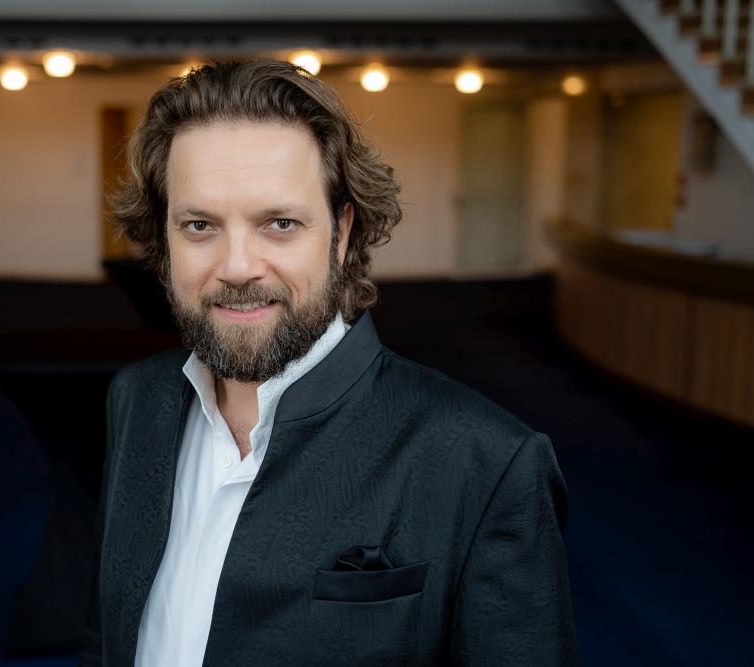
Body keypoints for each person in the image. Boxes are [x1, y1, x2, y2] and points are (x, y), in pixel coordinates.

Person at [84, 58, 578, 666]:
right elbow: (106, 634)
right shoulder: (137, 398)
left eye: (280, 223)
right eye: (200, 225)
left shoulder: (487, 461)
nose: (236, 267)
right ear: (164, 238)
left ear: (341, 234)